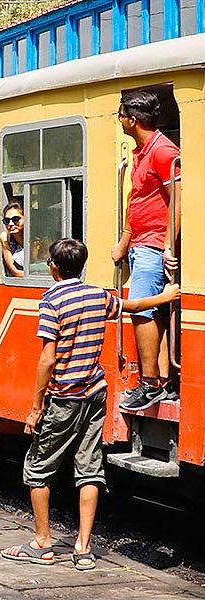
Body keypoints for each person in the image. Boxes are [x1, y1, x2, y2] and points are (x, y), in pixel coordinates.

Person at [2, 238, 178, 571]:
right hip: (96, 392)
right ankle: (83, 549)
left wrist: (37, 407)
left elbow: (47, 359)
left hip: (64, 396)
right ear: (81, 266)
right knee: (90, 469)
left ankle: (42, 543)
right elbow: (132, 307)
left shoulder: (51, 300)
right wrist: (166, 297)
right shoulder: (97, 295)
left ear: (54, 266)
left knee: (38, 469)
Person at [112, 90, 181, 411]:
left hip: (154, 245)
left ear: (133, 120)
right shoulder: (142, 152)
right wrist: (125, 241)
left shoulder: (164, 152)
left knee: (141, 310)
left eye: (121, 115)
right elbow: (136, 201)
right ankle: (163, 382)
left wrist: (169, 245)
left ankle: (149, 383)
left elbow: (179, 201)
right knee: (155, 313)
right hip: (140, 244)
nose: (120, 120)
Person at [0, 203, 25, 277]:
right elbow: (15, 271)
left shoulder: (39, 238)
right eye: (7, 221)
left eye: (15, 219)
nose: (10, 224)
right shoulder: (5, 238)